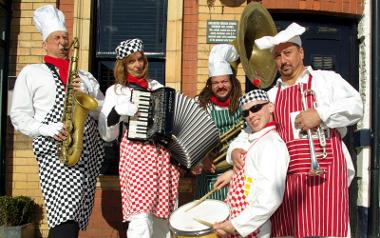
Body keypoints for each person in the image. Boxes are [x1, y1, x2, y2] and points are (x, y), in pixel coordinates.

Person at [230, 22, 364, 237]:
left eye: (288, 53)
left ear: (301, 53)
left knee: (330, 231)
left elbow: (356, 106)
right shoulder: (271, 96)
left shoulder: (326, 80)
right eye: (277, 56)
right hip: (288, 179)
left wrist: (321, 115)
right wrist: (235, 150)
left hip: (327, 173)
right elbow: (249, 131)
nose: (283, 60)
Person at [10, 5, 105, 238]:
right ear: (45, 44)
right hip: (55, 151)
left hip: (86, 152)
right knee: (65, 215)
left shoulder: (85, 76)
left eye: (65, 37)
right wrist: (46, 128)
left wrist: (88, 95)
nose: (62, 42)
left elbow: (102, 110)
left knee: (73, 216)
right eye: (56, 38)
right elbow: (19, 115)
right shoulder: (32, 73)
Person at [98, 38, 180, 238]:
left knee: (163, 218)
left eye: (140, 59)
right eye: (131, 61)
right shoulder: (116, 91)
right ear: (123, 65)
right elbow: (107, 134)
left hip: (161, 156)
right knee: (141, 217)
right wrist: (117, 112)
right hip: (136, 155)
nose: (138, 65)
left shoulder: (157, 86)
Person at [212, 89, 289, 238]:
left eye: (255, 108)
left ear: (270, 107)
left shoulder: (272, 144)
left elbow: (271, 196)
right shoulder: (256, 138)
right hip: (241, 224)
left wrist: (236, 225)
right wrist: (232, 173)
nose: (251, 115)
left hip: (253, 228)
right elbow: (254, 171)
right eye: (246, 113)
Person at [193, 44, 243, 201]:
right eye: (216, 83)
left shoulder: (244, 105)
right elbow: (188, 140)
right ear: (210, 85)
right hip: (208, 178)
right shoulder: (199, 106)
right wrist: (201, 158)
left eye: (224, 81)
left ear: (232, 82)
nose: (221, 86)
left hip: (237, 173)